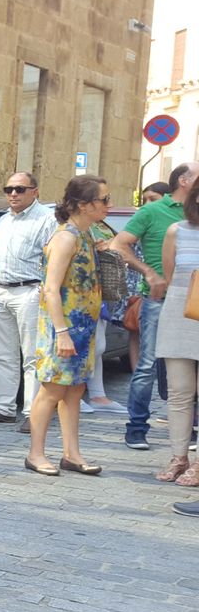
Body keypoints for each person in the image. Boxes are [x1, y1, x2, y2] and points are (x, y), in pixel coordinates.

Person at [26, 176, 109, 476]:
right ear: (83, 205)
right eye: (103, 200)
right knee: (51, 391)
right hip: (63, 327)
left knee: (75, 390)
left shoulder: (86, 234)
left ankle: (71, 454)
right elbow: (50, 289)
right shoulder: (65, 238)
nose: (108, 205)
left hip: (82, 327)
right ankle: (35, 454)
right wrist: (61, 332)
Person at [114, 161, 196, 450]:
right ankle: (136, 427)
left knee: (190, 368)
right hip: (160, 300)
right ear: (184, 181)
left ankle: (190, 431)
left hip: (194, 302)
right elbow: (119, 244)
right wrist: (148, 272)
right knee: (148, 364)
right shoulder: (153, 210)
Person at [0, 171, 55, 432]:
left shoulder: (46, 219)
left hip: (28, 291)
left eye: (19, 189)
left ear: (35, 191)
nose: (13, 194)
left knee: (32, 356)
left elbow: (53, 259)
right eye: (9, 190)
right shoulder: (5, 219)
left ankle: (33, 413)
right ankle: (4, 408)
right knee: (3, 355)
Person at [157, 179, 199, 495]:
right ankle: (179, 456)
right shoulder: (176, 231)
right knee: (179, 390)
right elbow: (170, 278)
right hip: (180, 309)